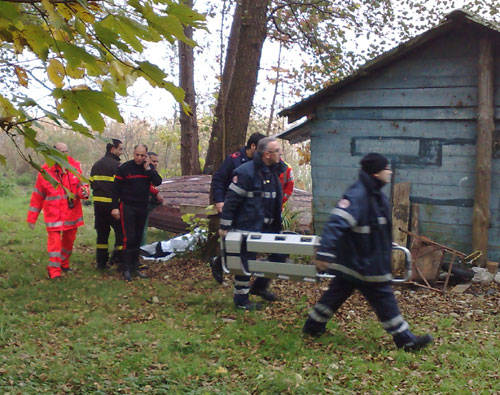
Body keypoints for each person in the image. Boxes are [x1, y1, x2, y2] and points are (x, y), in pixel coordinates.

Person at [302, 153, 433, 352]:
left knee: (335, 294)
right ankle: (405, 340)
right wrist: (324, 254)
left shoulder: (375, 194)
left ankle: (313, 325)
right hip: (364, 265)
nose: (389, 172)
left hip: (359, 262)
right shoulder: (358, 196)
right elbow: (335, 224)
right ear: (376, 173)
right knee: (384, 299)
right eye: (386, 169)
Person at [219, 137, 284, 310]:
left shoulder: (273, 172)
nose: (280, 153)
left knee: (281, 252)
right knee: (245, 262)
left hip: (268, 227)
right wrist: (225, 226)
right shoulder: (245, 172)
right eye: (277, 150)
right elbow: (231, 201)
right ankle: (241, 300)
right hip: (247, 226)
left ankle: (260, 287)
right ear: (267, 154)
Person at [27, 142, 88, 279]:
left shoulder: (75, 167)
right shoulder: (45, 171)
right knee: (54, 245)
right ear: (54, 153)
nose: (64, 154)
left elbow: (82, 185)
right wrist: (32, 218)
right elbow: (37, 196)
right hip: (53, 215)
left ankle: (63, 263)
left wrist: (84, 192)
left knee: (69, 241)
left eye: (66, 151)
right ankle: (54, 271)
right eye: (61, 152)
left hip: (72, 214)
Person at [111, 144, 162, 281]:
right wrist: (114, 207)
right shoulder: (125, 168)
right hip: (127, 206)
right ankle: (126, 268)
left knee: (138, 237)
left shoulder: (148, 169)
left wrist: (149, 169)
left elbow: (158, 182)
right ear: (133, 154)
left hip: (142, 206)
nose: (139, 158)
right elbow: (115, 189)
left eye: (142, 155)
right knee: (129, 237)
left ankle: (134, 266)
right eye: (137, 155)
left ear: (146, 156)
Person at [211, 132, 266, 215]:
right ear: (253, 146)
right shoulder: (233, 160)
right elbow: (218, 180)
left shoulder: (261, 163)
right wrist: (219, 201)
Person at [90, 138, 124, 270]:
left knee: (102, 234)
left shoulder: (96, 165)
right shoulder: (118, 167)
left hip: (98, 206)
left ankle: (101, 263)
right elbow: (122, 186)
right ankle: (118, 260)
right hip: (113, 206)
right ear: (112, 149)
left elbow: (92, 184)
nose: (121, 152)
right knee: (121, 233)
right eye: (120, 149)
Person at [140, 151, 164, 247]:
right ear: (148, 159)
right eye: (153, 161)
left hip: (147, 201)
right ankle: (140, 248)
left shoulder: (152, 171)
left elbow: (157, 182)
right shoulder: (144, 168)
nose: (155, 163)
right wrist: (156, 193)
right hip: (141, 202)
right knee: (141, 228)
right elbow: (144, 184)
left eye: (157, 162)